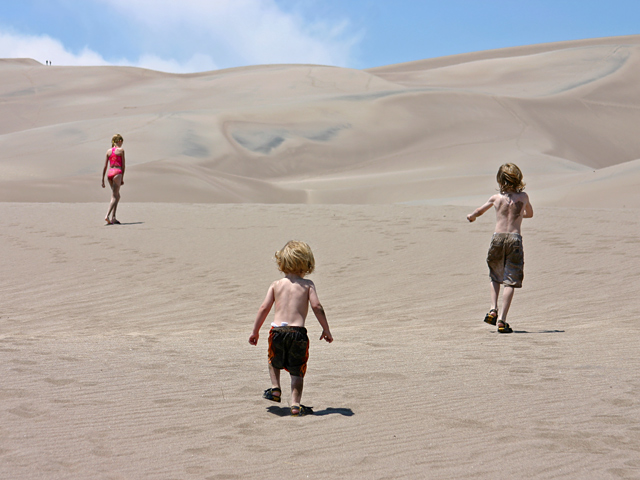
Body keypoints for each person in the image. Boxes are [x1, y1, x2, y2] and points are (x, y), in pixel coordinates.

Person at [249, 240, 333, 416]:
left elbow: (264, 308)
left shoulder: (276, 285)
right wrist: (326, 329)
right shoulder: (307, 285)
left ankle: (275, 388)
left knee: (273, 360)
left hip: (277, 331)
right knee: (297, 369)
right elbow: (317, 307)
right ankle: (295, 404)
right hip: (297, 333)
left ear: (282, 262)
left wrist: (255, 331)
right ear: (307, 263)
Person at [467, 163, 534, 333]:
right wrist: (519, 216)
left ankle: (492, 309)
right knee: (510, 280)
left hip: (497, 239)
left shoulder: (496, 198)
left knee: (495, 276)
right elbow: (530, 214)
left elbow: (478, 211)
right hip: (514, 240)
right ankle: (502, 321)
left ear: (500, 179)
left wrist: (471, 217)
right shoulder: (523, 197)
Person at [101, 134, 125, 225]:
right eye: (121, 142)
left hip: (110, 172)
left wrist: (102, 179)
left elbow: (105, 166)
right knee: (114, 196)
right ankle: (107, 215)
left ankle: (114, 217)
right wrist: (122, 178)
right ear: (119, 141)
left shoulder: (108, 151)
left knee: (117, 196)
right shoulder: (121, 151)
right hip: (117, 172)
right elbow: (123, 165)